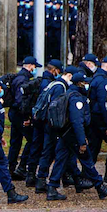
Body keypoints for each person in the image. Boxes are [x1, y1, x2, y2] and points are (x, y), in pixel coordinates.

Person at [45, 67, 107, 201]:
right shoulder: (76, 98)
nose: (87, 85)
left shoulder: (69, 94)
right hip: (73, 134)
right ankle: (100, 186)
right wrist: (82, 141)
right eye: (85, 83)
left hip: (65, 134)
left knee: (61, 159)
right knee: (86, 159)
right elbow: (77, 121)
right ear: (80, 84)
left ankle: (52, 187)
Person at [31, 59, 69, 192]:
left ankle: (41, 179)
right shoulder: (59, 86)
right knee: (50, 151)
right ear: (55, 70)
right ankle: (43, 179)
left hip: (45, 122)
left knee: (47, 150)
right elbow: (56, 107)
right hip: (52, 124)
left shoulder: (51, 84)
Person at [5, 56, 40, 178]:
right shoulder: (23, 80)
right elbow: (21, 101)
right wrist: (26, 117)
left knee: (15, 142)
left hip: (14, 113)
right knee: (32, 140)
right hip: (20, 114)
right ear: (30, 66)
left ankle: (11, 169)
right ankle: (22, 167)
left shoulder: (17, 77)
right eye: (34, 66)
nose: (35, 69)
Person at [88, 56, 107, 182]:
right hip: (99, 118)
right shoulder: (102, 81)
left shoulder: (96, 77)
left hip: (94, 117)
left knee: (94, 146)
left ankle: (87, 174)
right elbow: (104, 105)